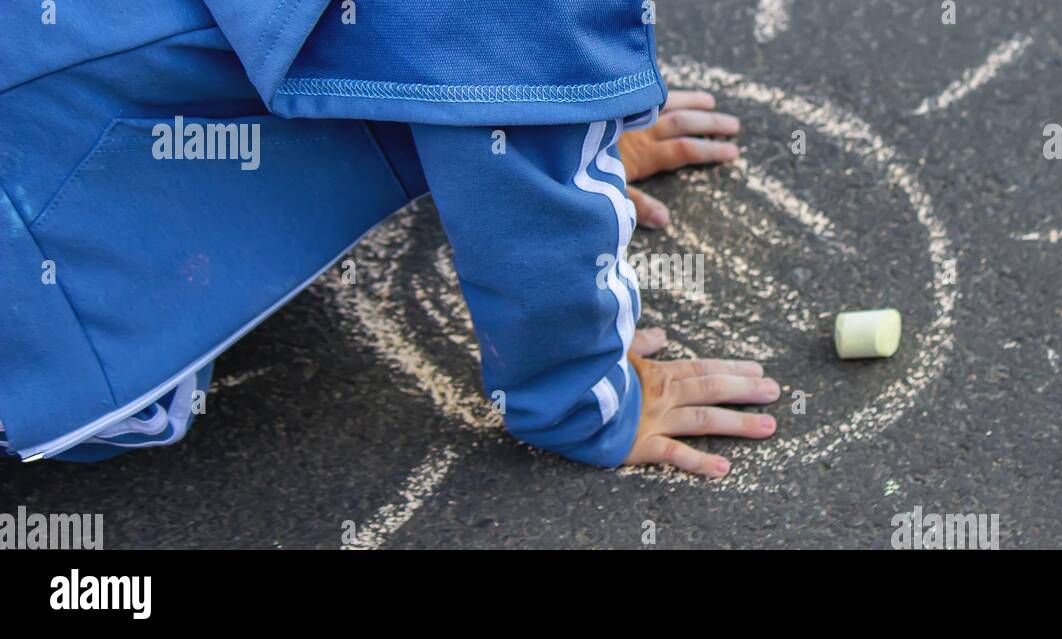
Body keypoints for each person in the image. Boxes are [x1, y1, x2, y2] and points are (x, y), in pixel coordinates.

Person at [0, 0, 779, 477]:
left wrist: (570, 113)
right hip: (32, 256)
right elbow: (525, 194)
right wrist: (590, 401)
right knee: (128, 397)